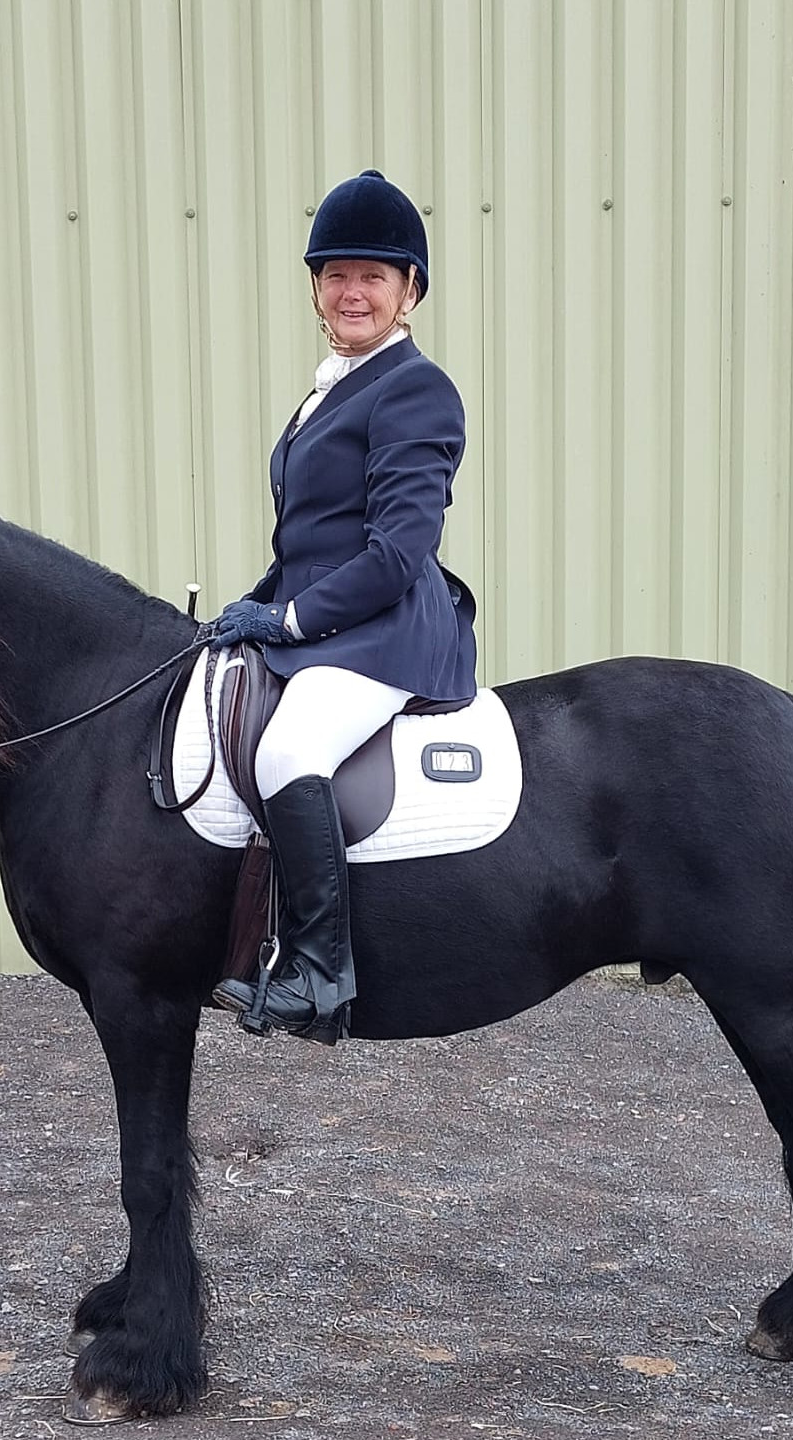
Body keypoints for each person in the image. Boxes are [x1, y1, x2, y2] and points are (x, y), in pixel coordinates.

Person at [210, 169, 478, 1045]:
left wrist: (286, 623)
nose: (351, 291)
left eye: (373, 275)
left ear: (409, 292)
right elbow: (310, 544)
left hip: (388, 629)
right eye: (334, 275)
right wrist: (250, 606)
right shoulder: (325, 391)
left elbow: (398, 550)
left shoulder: (415, 388)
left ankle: (321, 977)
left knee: (288, 751)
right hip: (330, 618)